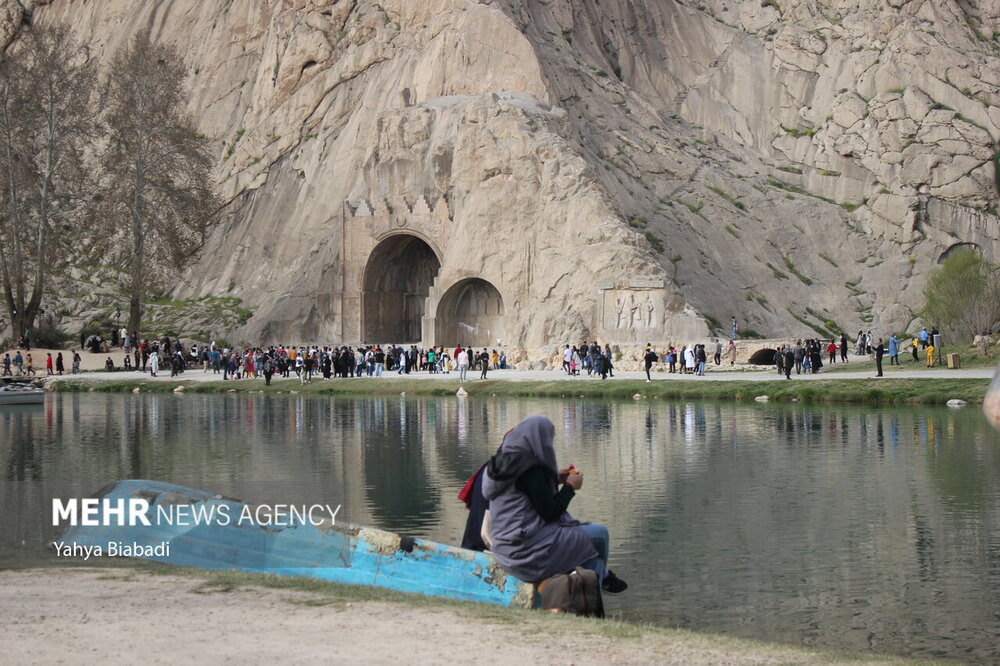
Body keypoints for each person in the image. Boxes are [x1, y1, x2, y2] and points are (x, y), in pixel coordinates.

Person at [480, 416, 627, 593]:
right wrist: (570, 487)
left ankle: (594, 585)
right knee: (600, 535)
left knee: (592, 560)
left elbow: (523, 490)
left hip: (504, 547)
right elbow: (550, 512)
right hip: (527, 552)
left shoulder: (500, 463)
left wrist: (553, 479)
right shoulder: (530, 468)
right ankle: (601, 580)